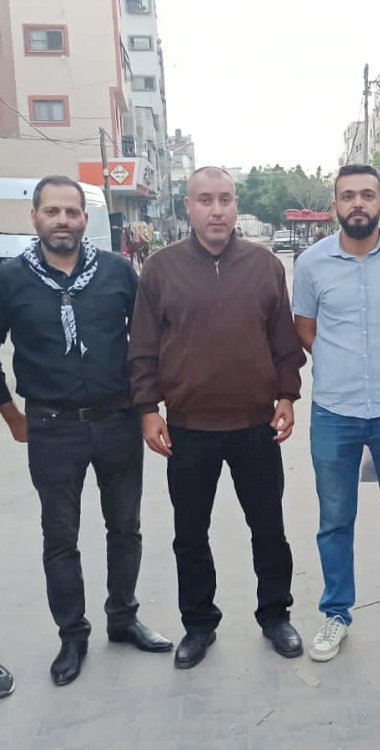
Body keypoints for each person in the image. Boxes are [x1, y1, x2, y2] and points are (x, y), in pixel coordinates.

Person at [128, 167, 306, 670]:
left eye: (225, 199)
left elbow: (283, 341)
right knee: (190, 534)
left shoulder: (264, 266)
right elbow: (143, 346)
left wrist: (287, 396)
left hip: (255, 426)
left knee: (268, 528)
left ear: (236, 205)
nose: (216, 210)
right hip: (188, 428)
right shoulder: (160, 269)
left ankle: (276, 615)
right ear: (188, 206)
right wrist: (148, 409)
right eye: (205, 200)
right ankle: (199, 624)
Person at [0, 175, 172, 687]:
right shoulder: (11, 278)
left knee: (125, 528)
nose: (63, 221)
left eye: (71, 212)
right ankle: (72, 635)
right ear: (34, 217)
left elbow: (146, 344)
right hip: (52, 428)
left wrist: (148, 408)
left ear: (84, 218)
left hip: (117, 420)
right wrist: (13, 416)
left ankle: (123, 618)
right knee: (60, 538)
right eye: (52, 211)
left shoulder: (117, 272)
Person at [293, 164, 380, 662]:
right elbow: (305, 329)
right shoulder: (311, 264)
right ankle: (336, 613)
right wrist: (340, 366)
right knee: (335, 519)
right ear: (335, 204)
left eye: (367, 195)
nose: (358, 203)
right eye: (348, 195)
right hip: (335, 411)